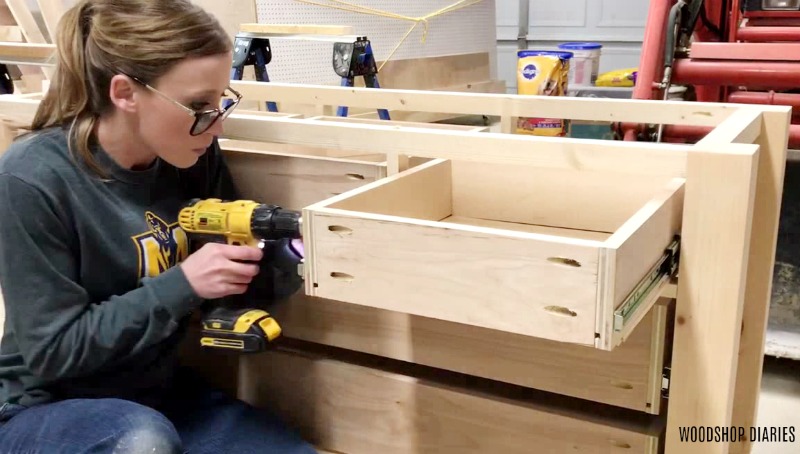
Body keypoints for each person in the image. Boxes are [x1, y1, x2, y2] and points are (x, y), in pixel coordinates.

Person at [0, 1, 316, 452]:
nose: (217, 125)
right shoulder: (33, 179)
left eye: (222, 100)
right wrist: (183, 283)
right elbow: (54, 353)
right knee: (140, 442)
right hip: (43, 408)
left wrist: (286, 260)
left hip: (160, 398)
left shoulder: (192, 154)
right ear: (125, 93)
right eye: (198, 105)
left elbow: (225, 294)